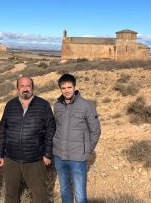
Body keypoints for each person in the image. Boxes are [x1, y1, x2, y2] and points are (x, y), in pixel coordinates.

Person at [0, 76, 56, 203]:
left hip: (35, 159)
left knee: (40, 195)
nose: (25, 89)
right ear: (17, 88)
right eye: (22, 86)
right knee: (11, 195)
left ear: (32, 88)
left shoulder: (43, 105)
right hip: (11, 158)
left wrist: (47, 153)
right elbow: (2, 130)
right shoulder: (10, 105)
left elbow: (51, 130)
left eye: (28, 86)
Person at [53, 73, 101, 203]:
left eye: (69, 87)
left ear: (75, 87)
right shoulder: (57, 106)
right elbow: (55, 128)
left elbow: (95, 131)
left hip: (78, 158)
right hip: (59, 156)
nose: (67, 90)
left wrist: (86, 151)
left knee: (80, 195)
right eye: (63, 88)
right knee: (64, 189)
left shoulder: (87, 105)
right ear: (60, 89)